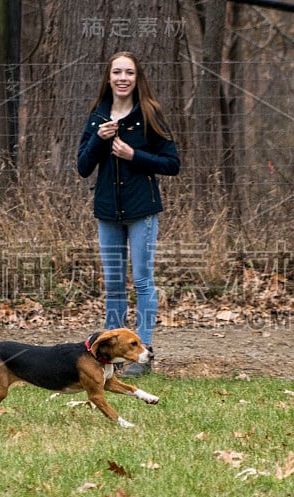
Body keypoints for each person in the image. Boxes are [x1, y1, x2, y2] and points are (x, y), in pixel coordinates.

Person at [77, 51, 180, 377]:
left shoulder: (150, 114)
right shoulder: (97, 117)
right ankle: (111, 356)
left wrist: (134, 154)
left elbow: (172, 164)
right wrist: (98, 139)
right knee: (114, 285)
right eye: (117, 72)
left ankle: (144, 354)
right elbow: (83, 167)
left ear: (137, 78)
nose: (123, 78)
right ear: (108, 78)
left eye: (129, 73)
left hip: (142, 212)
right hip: (108, 213)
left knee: (142, 282)